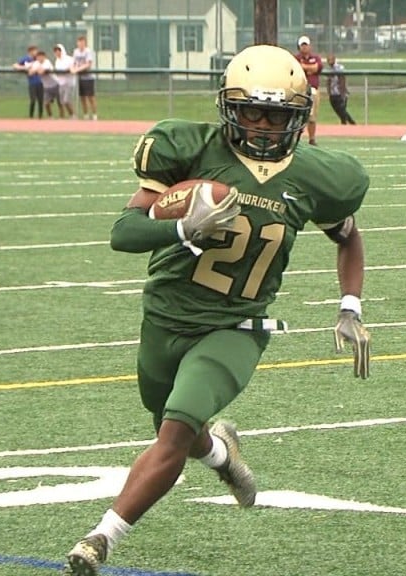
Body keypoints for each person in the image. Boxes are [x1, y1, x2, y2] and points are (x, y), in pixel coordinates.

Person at [61, 44, 371, 576]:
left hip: (236, 326)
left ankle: (99, 539)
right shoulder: (190, 150)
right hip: (167, 316)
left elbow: (348, 237)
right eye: (252, 111)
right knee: (174, 426)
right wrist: (183, 227)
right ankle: (223, 454)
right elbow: (123, 233)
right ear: (229, 106)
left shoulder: (316, 176)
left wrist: (350, 306)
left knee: (175, 432)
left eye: (276, 114)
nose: (264, 125)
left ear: (298, 117)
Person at [294, 36, 323, 145]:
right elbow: (297, 68)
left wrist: (304, 67)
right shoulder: (295, 58)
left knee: (312, 116)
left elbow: (317, 67)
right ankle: (296, 138)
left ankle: (312, 139)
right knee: (297, 115)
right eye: (302, 45)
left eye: (306, 45)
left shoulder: (316, 58)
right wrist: (309, 68)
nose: (304, 47)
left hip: (313, 89)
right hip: (299, 90)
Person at [12, 45, 42, 119]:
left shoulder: (38, 59)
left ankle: (40, 117)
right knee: (33, 100)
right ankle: (31, 117)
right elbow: (15, 65)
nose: (36, 52)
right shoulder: (26, 59)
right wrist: (24, 68)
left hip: (40, 82)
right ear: (30, 51)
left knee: (40, 100)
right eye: (35, 51)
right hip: (32, 83)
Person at [71, 35, 97, 120]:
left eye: (82, 42)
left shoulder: (88, 51)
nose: (81, 44)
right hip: (80, 78)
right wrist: (72, 69)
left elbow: (88, 64)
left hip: (88, 77)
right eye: (79, 42)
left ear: (85, 43)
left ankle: (94, 115)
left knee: (91, 97)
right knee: (82, 98)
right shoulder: (75, 52)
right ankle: (85, 115)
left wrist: (77, 69)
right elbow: (73, 63)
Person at [326, 54, 356, 125]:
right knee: (339, 111)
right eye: (328, 60)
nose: (329, 61)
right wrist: (329, 92)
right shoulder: (329, 69)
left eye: (331, 59)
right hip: (332, 93)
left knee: (342, 111)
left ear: (334, 59)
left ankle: (350, 123)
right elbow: (328, 81)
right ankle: (349, 123)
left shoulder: (339, 67)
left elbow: (342, 80)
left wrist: (343, 93)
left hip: (339, 93)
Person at [30, 50, 59, 119]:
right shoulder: (36, 63)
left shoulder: (47, 62)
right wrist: (36, 69)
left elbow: (41, 72)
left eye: (41, 57)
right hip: (46, 86)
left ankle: (63, 117)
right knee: (46, 103)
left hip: (55, 84)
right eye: (38, 57)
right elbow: (30, 73)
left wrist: (36, 69)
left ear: (44, 57)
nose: (40, 58)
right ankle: (50, 116)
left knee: (60, 102)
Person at [53, 44, 76, 119]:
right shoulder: (57, 61)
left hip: (69, 83)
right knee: (61, 101)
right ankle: (62, 116)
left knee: (66, 100)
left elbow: (72, 67)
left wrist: (66, 70)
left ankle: (73, 115)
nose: (57, 52)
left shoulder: (69, 59)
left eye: (58, 51)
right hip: (61, 83)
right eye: (55, 51)